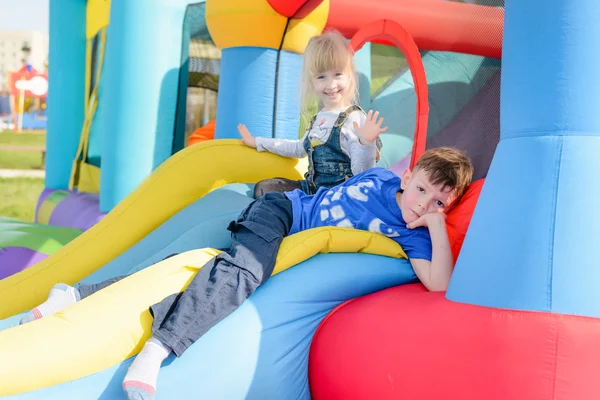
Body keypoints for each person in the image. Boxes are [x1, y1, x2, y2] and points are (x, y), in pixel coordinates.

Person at [20, 146, 473, 400]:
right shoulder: (380, 179)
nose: (421, 203)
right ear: (407, 175)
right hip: (279, 212)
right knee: (242, 273)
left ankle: (76, 296)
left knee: (189, 273)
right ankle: (159, 350)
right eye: (420, 189)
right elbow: (344, 162)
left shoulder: (415, 234)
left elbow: (439, 283)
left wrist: (436, 226)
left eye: (438, 202)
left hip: (284, 230)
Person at [237, 30, 387, 198]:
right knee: (264, 189)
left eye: (338, 74)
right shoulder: (319, 118)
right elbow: (297, 148)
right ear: (312, 81)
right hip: (313, 189)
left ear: (350, 75)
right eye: (322, 77)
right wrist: (257, 141)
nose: (331, 85)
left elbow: (362, 174)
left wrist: (366, 143)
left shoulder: (354, 118)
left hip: (341, 195)